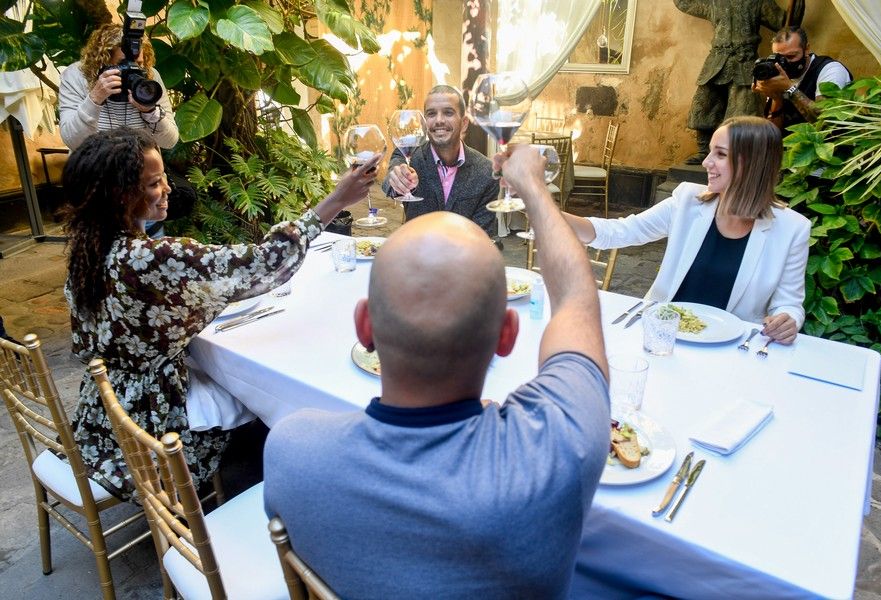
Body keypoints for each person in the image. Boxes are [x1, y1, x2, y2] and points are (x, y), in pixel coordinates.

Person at [266, 146, 610, 598]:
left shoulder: (290, 449)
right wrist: (533, 187)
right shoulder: (559, 447)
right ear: (507, 336)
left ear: (365, 327)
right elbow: (576, 302)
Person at [63, 128, 379, 501]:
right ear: (118, 196)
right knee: (262, 389)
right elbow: (261, 263)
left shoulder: (90, 250)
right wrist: (336, 200)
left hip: (106, 416)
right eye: (153, 183)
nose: (166, 189)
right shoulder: (152, 259)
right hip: (159, 432)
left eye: (163, 177)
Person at [564, 116, 810, 344]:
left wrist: (787, 321)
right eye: (710, 151)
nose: (706, 162)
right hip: (662, 337)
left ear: (753, 165)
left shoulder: (792, 229)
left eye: (720, 154)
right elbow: (619, 231)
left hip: (731, 351)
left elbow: (789, 305)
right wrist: (544, 209)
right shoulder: (687, 201)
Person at [59, 23, 181, 237]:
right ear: (102, 63)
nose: (132, 71)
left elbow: (169, 140)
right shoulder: (76, 76)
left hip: (143, 193)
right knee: (99, 257)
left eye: (138, 64)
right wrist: (95, 98)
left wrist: (150, 112)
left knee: (147, 258)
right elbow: (72, 140)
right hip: (97, 191)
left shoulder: (149, 78)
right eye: (121, 66)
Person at [674, 0, 790, 164]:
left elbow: (783, 22)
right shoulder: (713, 2)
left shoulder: (759, 2)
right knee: (704, 104)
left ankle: (733, 155)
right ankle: (704, 150)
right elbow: (684, 3)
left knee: (742, 111)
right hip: (717, 61)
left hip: (744, 62)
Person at [381, 85, 500, 238]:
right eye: (431, 114)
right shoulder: (411, 155)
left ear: (464, 123)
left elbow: (484, 236)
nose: (439, 120)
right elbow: (389, 182)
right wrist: (397, 180)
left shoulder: (486, 172)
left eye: (448, 113)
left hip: (464, 256)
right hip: (416, 254)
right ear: (424, 122)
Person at [752, 26, 852, 136]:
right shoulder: (777, 75)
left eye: (791, 56)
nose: (784, 62)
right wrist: (776, 99)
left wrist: (790, 89)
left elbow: (825, 121)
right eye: (779, 58)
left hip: (832, 147)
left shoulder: (830, 70)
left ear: (807, 49)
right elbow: (772, 135)